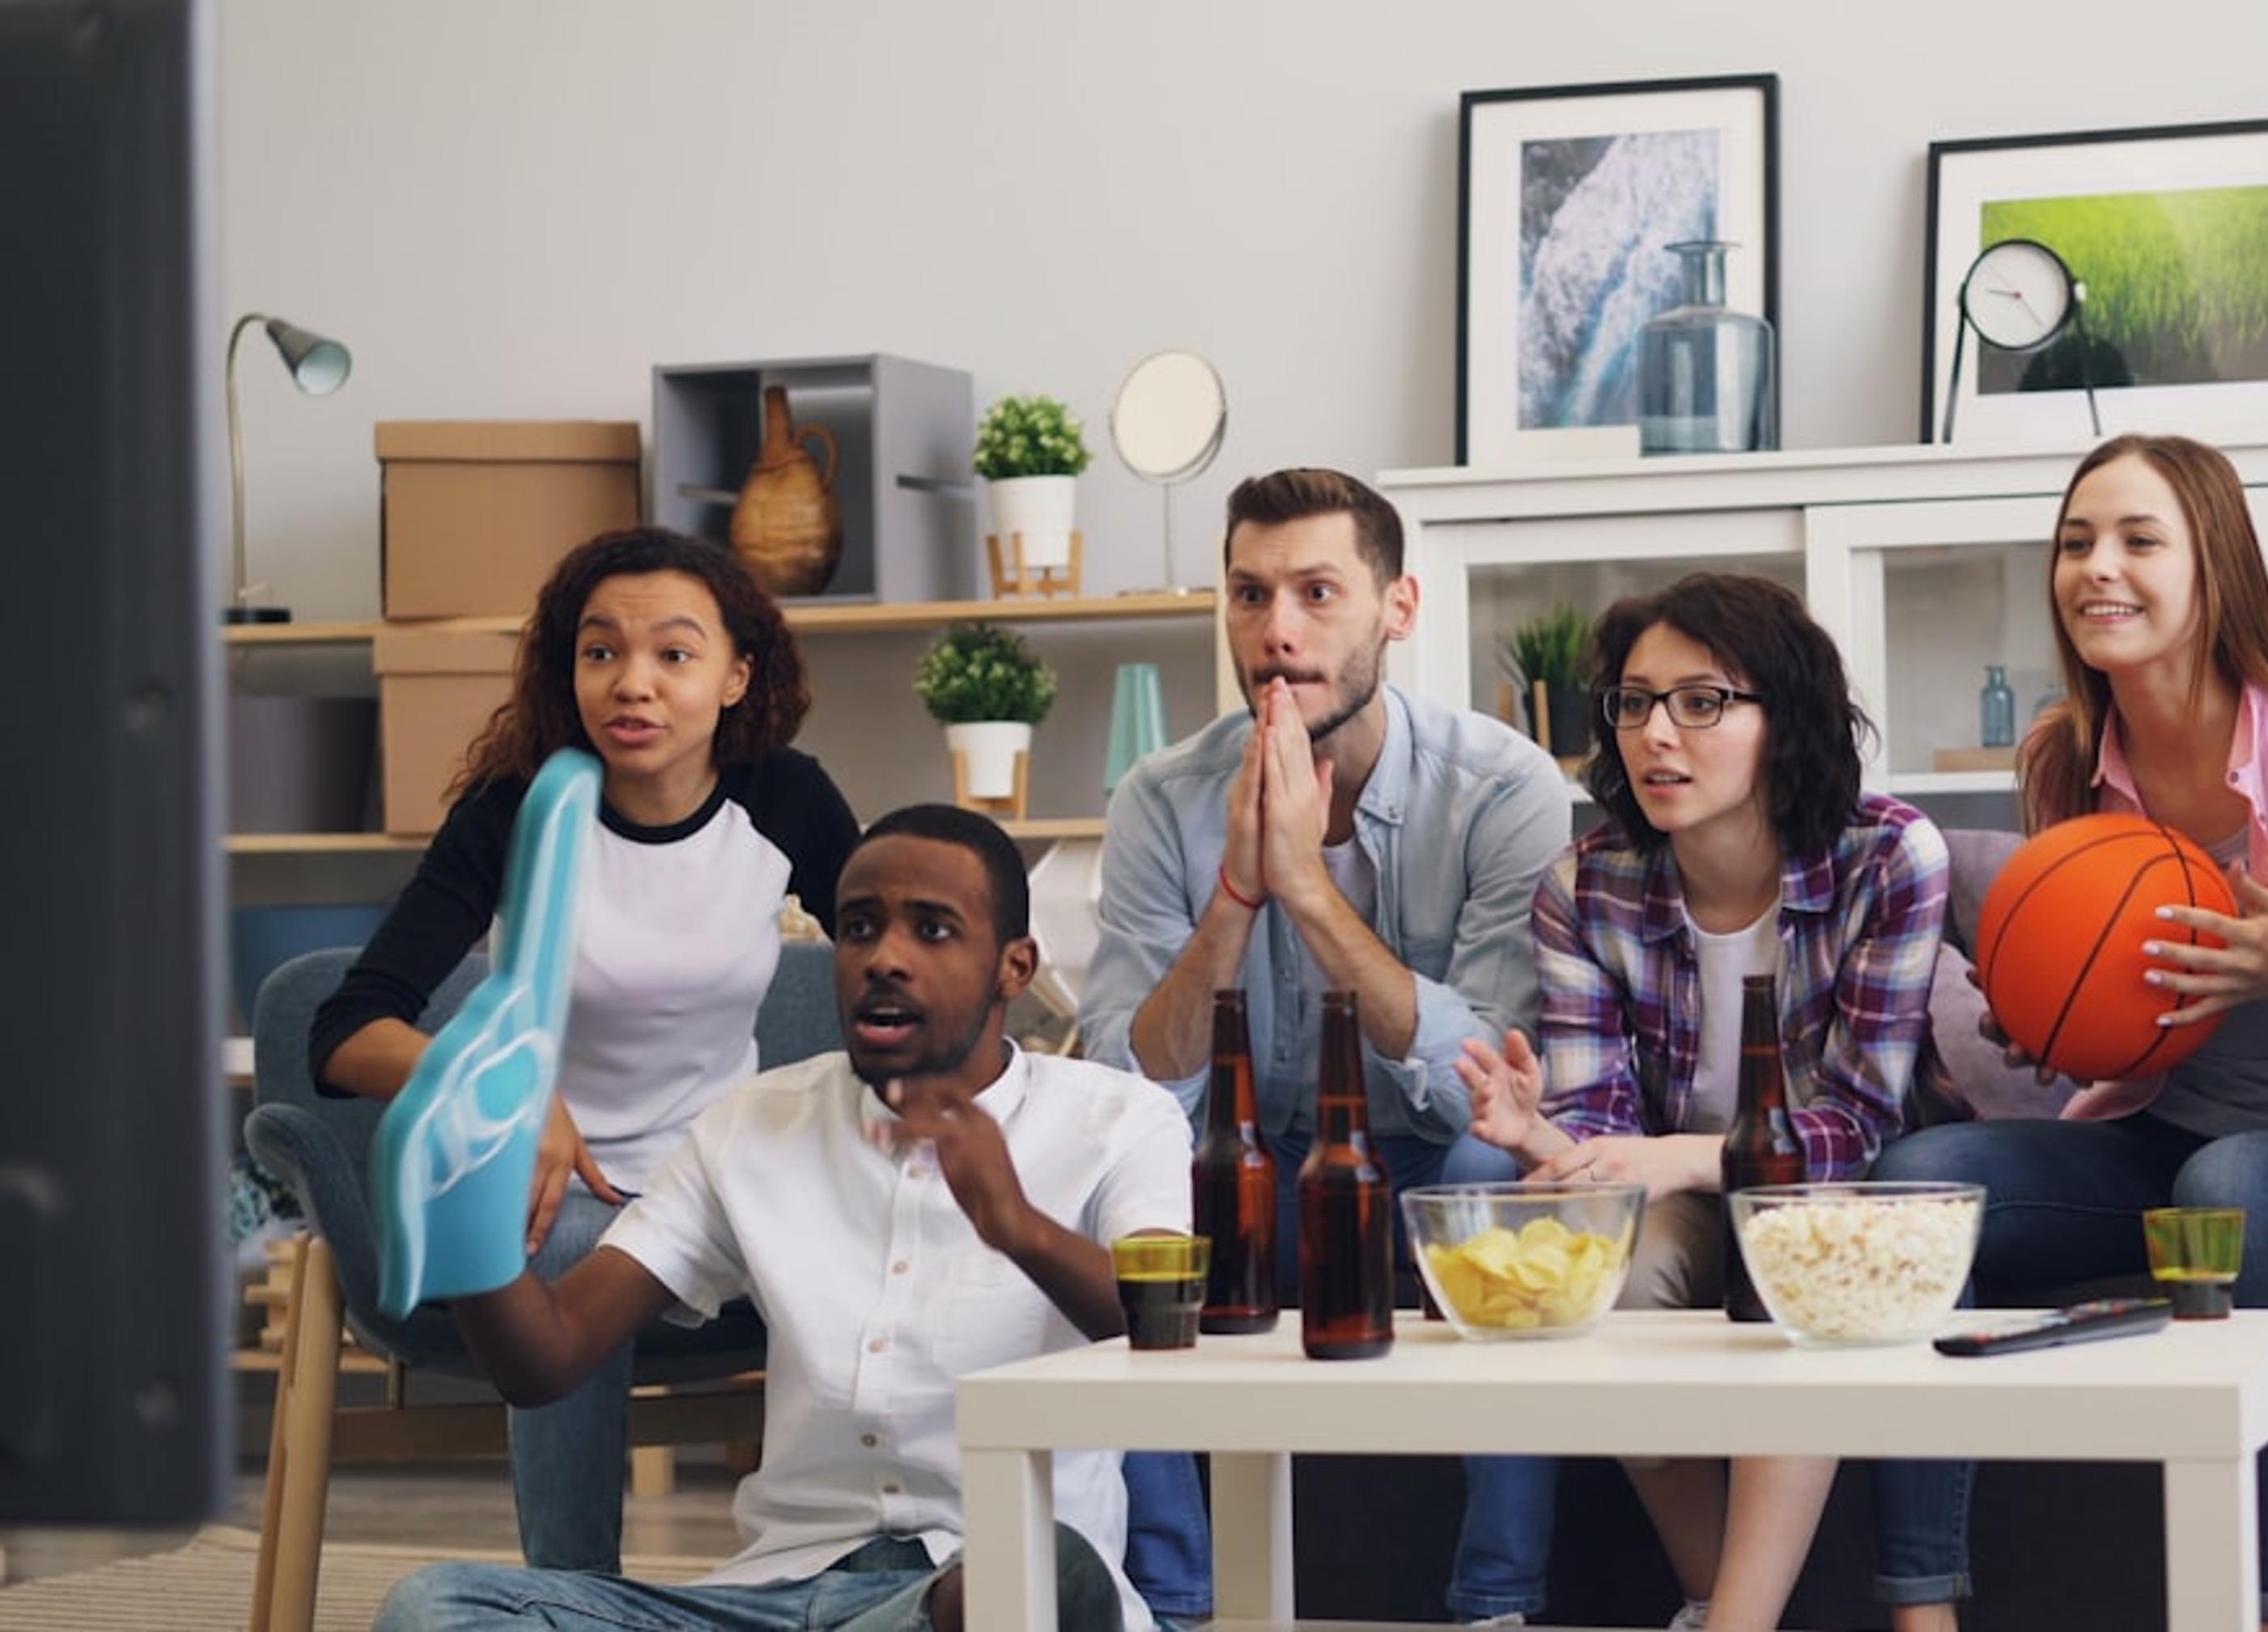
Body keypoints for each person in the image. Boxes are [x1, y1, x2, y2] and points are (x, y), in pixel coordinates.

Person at [1865, 434, 2268, 1630]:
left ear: (2217, 564)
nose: (2097, 569)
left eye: (2138, 540)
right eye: (2077, 542)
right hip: (2159, 1137)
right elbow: (2114, 1022)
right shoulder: (2066, 759)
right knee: (1920, 1182)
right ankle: (1922, 1605)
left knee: (2232, 1180)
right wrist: (2055, 1033)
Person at [372, 804, 1191, 1632]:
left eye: (932, 931)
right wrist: (462, 1214)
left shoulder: (1121, 1121)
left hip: (974, 1596)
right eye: (860, 928)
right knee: (435, 1608)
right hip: (769, 1597)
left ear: (1014, 968)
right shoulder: (754, 1125)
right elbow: (546, 1361)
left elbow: (1172, 1338)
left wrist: (1019, 1226)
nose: (884, 959)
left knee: (1046, 1572)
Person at [1079, 467, 1574, 1627]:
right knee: (1131, 1199)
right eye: (1250, 595)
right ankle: (1176, 1606)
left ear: (1397, 608)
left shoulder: (1504, 787)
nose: (1277, 633)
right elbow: (1127, 1090)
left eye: (1316, 593)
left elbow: (1488, 1090)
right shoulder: (1163, 797)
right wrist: (1238, 898)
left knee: (1493, 1184)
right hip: (1246, 1179)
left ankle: (1496, 1607)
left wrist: (1307, 888)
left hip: (1424, 1174)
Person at [311, 525, 860, 1571]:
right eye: (601, 651)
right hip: (548, 1192)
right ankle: (571, 1596)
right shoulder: (516, 810)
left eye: (674, 654)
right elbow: (346, 1030)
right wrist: (513, 1096)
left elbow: (900, 958)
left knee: (861, 1222)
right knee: (564, 1251)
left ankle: (824, 1577)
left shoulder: (786, 801)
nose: (632, 684)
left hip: (721, 1175)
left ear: (738, 675)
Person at [1454, 572, 1952, 1632]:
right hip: (1677, 1193)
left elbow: (1859, 1120)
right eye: (1635, 703)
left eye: (1702, 701)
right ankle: (1708, 1597)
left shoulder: (1890, 858)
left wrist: (1685, 1158)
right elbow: (1599, 1132)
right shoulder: (1584, 884)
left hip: (1836, 1191)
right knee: (1610, 1280)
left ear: (1790, 716)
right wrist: (1544, 1135)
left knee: (1804, 1259)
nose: (1656, 734)